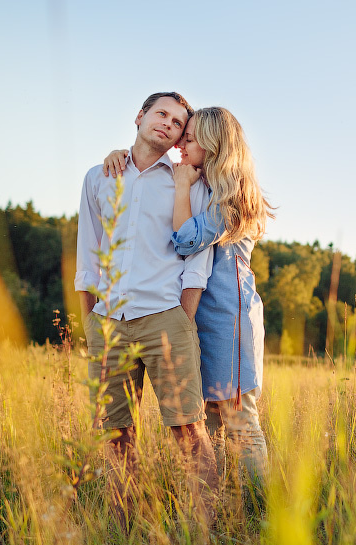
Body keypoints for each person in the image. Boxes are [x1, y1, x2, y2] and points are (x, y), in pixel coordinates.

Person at [104, 106, 273, 496]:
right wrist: (120, 156)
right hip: (199, 317)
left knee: (239, 419)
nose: (181, 145)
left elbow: (185, 239)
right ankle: (224, 505)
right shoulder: (206, 184)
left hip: (229, 319)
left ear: (212, 145)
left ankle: (264, 509)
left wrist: (182, 186)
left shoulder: (232, 193)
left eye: (190, 139)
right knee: (208, 420)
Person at [76, 92, 219, 529]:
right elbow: (88, 253)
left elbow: (198, 261)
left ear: (179, 137)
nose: (167, 124)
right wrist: (89, 320)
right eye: (161, 114)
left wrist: (183, 319)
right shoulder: (99, 177)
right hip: (108, 323)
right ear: (140, 116)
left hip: (166, 318)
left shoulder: (188, 182)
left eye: (177, 123)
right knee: (116, 432)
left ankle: (209, 531)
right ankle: (125, 531)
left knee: (187, 429)